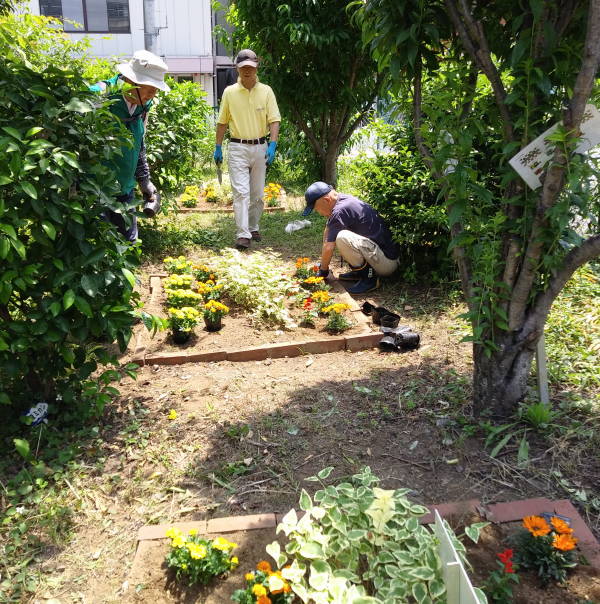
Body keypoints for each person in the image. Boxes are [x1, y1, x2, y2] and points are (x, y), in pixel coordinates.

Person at [90, 50, 169, 242]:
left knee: (129, 244)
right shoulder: (99, 96)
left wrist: (144, 180)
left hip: (125, 189)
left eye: (156, 90)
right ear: (130, 81)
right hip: (95, 190)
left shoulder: (143, 107)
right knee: (100, 244)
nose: (153, 94)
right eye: (149, 88)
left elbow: (138, 145)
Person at [214, 49, 281, 250]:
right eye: (243, 67)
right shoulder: (229, 92)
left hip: (260, 147)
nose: (247, 71)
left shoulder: (266, 91)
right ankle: (243, 234)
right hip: (237, 147)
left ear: (256, 67)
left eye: (250, 67)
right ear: (237, 68)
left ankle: (253, 227)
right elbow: (222, 122)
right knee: (241, 193)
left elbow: (274, 120)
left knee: (258, 194)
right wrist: (218, 146)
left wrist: (273, 144)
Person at [302, 182, 399, 294]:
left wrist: (323, 271)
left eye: (316, 209)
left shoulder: (340, 211)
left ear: (327, 200)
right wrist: (323, 262)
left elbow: (329, 247)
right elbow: (328, 232)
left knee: (342, 237)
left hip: (387, 263)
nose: (319, 213)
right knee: (339, 237)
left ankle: (369, 280)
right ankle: (360, 272)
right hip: (384, 255)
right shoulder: (342, 200)